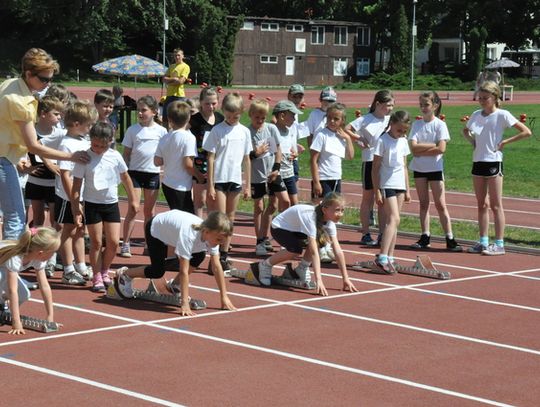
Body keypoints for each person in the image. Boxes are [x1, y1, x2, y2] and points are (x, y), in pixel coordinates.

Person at [0, 48, 90, 242]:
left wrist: (20, 158)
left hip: (7, 157)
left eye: (50, 80)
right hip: (2, 160)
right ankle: (10, 271)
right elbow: (34, 145)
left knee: (11, 215)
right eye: (43, 79)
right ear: (28, 73)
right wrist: (71, 157)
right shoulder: (20, 102)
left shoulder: (11, 84)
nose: (47, 85)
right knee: (15, 218)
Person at [115, 210, 237, 316]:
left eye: (223, 240)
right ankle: (126, 274)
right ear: (207, 231)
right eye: (219, 239)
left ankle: (175, 285)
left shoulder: (212, 237)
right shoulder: (189, 235)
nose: (220, 243)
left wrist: (224, 297)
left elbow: (216, 267)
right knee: (157, 271)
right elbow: (184, 271)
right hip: (156, 229)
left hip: (170, 230)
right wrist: (184, 303)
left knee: (199, 255)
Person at [463, 81, 531, 255]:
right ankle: (483, 241)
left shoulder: (503, 115)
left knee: (495, 204)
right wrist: (472, 141)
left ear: (494, 97)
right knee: (481, 204)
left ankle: (499, 243)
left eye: (485, 98)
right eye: (480, 98)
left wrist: (505, 142)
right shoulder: (476, 114)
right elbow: (467, 131)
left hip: (494, 162)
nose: (482, 101)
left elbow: (525, 131)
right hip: (478, 161)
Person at [249, 193, 358, 296]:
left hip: (297, 229)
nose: (340, 214)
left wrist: (346, 278)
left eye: (342, 210)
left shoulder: (330, 222)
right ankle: (264, 265)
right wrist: (318, 280)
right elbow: (314, 252)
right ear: (325, 209)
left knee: (321, 241)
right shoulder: (311, 217)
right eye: (337, 210)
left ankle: (301, 268)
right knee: (295, 250)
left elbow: (338, 251)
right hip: (280, 227)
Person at [71, 122, 137, 292]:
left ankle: (105, 270)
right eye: (94, 145)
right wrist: (76, 207)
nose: (98, 148)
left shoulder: (115, 156)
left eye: (102, 145)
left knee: (114, 243)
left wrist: (133, 200)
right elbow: (76, 185)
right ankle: (96, 276)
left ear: (110, 142)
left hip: (111, 203)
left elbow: (126, 178)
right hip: (92, 204)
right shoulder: (85, 158)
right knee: (96, 242)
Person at [203, 92, 252, 273]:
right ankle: (213, 258)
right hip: (220, 180)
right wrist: (210, 184)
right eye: (228, 116)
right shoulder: (217, 130)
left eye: (235, 116)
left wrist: (247, 185)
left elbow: (247, 159)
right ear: (223, 111)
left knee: (230, 220)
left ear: (241, 113)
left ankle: (224, 256)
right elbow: (210, 157)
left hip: (235, 180)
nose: (231, 119)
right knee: (220, 220)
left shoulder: (244, 132)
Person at [409, 91, 462, 252]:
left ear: (435, 105)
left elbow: (441, 149)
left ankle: (450, 238)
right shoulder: (417, 124)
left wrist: (421, 149)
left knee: (440, 204)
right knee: (423, 204)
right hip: (419, 169)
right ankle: (425, 236)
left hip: (435, 169)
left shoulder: (440, 125)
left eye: (426, 105)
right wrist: (430, 147)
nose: (423, 108)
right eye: (421, 105)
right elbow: (412, 147)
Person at [345, 89, 395, 247]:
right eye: (387, 105)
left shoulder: (390, 120)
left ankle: (381, 233)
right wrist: (359, 140)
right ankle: (366, 233)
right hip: (369, 161)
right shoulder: (366, 119)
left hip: (385, 163)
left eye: (392, 105)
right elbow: (347, 129)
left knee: (382, 200)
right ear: (378, 104)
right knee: (368, 198)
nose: (390, 108)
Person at [55, 100, 96, 285]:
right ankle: (68, 269)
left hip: (82, 194)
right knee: (68, 230)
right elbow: (65, 175)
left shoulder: (83, 140)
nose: (90, 128)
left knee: (80, 229)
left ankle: (80, 265)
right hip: (68, 196)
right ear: (77, 124)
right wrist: (73, 200)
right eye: (88, 125)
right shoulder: (66, 144)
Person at [120, 95, 167, 258]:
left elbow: (165, 153)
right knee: (133, 208)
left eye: (144, 110)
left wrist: (165, 170)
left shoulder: (162, 131)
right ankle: (125, 243)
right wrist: (124, 171)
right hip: (134, 173)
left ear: (154, 112)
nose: (140, 113)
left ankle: (149, 243)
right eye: (138, 110)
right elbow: (126, 153)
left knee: (149, 212)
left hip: (152, 174)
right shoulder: (132, 130)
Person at [0, 226, 61, 335]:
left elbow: (44, 286)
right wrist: (16, 322)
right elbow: (12, 290)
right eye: (53, 252)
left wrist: (50, 316)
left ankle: (3, 309)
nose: (53, 255)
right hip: (2, 268)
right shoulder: (15, 257)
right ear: (41, 253)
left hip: (3, 268)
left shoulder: (38, 258)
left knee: (24, 294)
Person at [248, 99, 289, 256]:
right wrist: (255, 153)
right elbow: (245, 157)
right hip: (256, 175)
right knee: (259, 206)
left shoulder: (271, 129)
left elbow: (277, 149)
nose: (260, 121)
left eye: (263, 118)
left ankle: (280, 235)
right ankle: (259, 240)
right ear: (251, 115)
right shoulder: (247, 132)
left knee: (281, 202)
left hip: (272, 173)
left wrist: (277, 169)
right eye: (257, 118)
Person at [371, 111, 411, 273]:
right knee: (393, 218)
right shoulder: (383, 141)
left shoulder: (403, 141)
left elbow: (404, 166)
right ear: (392, 124)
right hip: (387, 184)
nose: (401, 133)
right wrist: (377, 191)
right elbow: (375, 169)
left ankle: (391, 256)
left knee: (395, 221)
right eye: (399, 130)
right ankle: (382, 256)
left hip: (400, 184)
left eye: (404, 131)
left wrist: (408, 189)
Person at [155, 101, 197, 213]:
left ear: (169, 119)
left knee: (175, 214)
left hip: (167, 183)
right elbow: (188, 164)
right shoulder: (189, 138)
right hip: (181, 185)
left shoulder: (165, 138)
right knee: (186, 218)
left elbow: (157, 161)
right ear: (189, 118)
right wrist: (199, 176)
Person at [189, 87, 224, 217]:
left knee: (213, 201)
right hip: (199, 165)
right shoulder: (193, 121)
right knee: (200, 201)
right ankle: (199, 232)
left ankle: (210, 231)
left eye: (214, 103)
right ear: (201, 103)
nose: (210, 107)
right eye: (207, 103)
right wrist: (195, 170)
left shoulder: (221, 119)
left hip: (217, 166)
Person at [272, 101, 302, 206]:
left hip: (289, 172)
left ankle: (290, 222)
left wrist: (295, 154)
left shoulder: (289, 131)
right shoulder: (272, 131)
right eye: (292, 115)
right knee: (275, 204)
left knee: (294, 203)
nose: (294, 119)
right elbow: (271, 151)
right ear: (282, 116)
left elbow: (292, 149)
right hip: (277, 173)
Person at [162, 48, 190, 128]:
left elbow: (181, 81)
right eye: (175, 55)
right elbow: (163, 79)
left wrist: (169, 81)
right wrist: (174, 79)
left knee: (178, 119)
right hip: (169, 95)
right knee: (165, 118)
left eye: (178, 55)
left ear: (182, 56)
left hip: (179, 96)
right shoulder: (171, 66)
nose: (177, 57)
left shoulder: (185, 67)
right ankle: (166, 135)